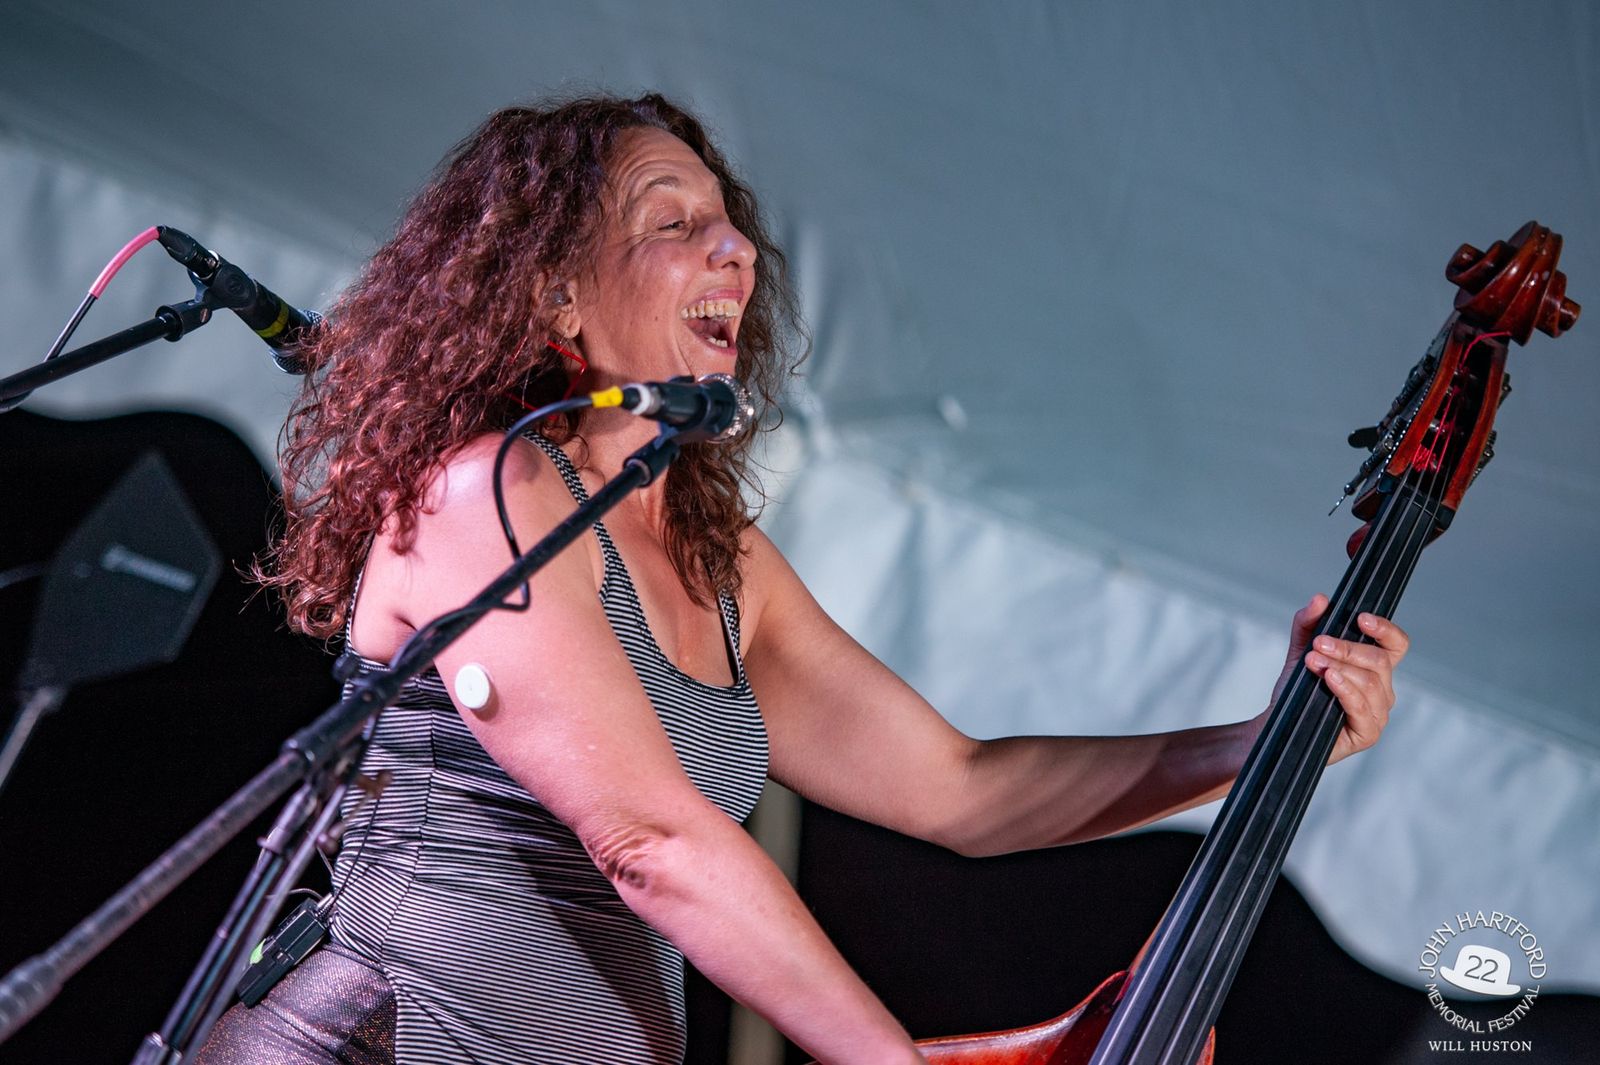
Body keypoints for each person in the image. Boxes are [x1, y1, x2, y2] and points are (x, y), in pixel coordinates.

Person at [197, 93, 1409, 1065]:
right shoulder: (486, 495)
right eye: (671, 224)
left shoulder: (721, 564)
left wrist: (1261, 743)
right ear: (555, 292)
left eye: (728, 224)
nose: (732, 248)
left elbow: (963, 791)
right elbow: (649, 839)